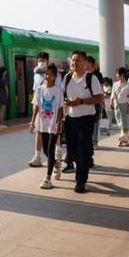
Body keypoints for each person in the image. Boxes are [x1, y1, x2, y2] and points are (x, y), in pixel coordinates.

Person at [62, 50, 103, 193]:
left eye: (78, 60)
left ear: (85, 63)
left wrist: (81, 102)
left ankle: (81, 180)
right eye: (72, 60)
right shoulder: (67, 78)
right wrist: (67, 104)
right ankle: (84, 163)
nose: (74, 63)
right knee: (72, 149)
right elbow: (63, 97)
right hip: (70, 119)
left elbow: (99, 98)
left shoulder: (91, 78)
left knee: (81, 150)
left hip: (86, 119)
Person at [30, 64, 64, 189]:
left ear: (55, 76)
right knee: (45, 150)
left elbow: (60, 108)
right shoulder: (40, 89)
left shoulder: (59, 91)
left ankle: (48, 178)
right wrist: (32, 121)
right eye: (46, 74)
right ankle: (56, 165)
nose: (48, 76)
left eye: (50, 74)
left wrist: (59, 124)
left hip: (53, 125)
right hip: (42, 124)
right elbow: (37, 106)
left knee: (50, 150)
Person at [85, 56, 104, 154]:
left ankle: (94, 141)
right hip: (86, 102)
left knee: (95, 122)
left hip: (95, 101)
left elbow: (101, 89)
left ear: (90, 63)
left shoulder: (97, 75)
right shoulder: (83, 74)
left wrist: (101, 102)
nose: (84, 64)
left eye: (86, 62)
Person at [111, 68, 129, 147]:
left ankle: (122, 138)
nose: (117, 76)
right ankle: (125, 137)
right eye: (116, 74)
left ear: (122, 75)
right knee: (119, 122)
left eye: (118, 74)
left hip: (125, 105)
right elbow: (113, 94)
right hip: (117, 105)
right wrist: (111, 103)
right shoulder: (115, 84)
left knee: (125, 122)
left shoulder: (128, 85)